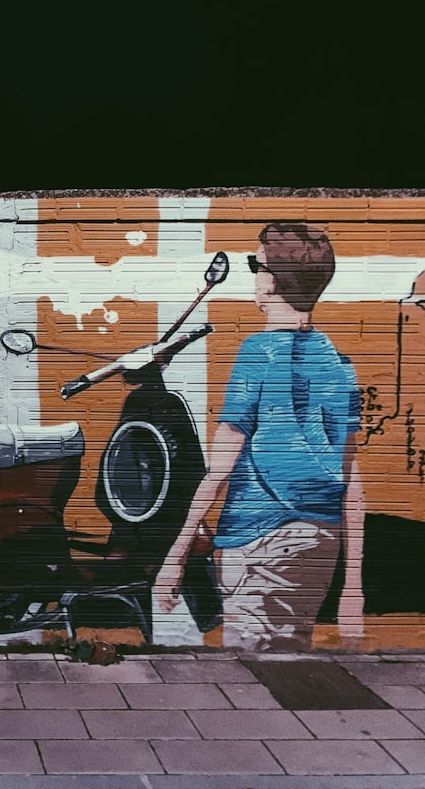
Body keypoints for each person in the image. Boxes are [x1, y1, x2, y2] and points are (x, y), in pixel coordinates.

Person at [154, 223, 365, 651]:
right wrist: (352, 587)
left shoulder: (256, 354)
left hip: (259, 538)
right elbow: (352, 482)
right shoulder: (340, 365)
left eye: (256, 265)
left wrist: (175, 556)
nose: (254, 276)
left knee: (251, 669)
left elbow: (219, 469)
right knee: (289, 658)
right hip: (319, 541)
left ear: (270, 281)